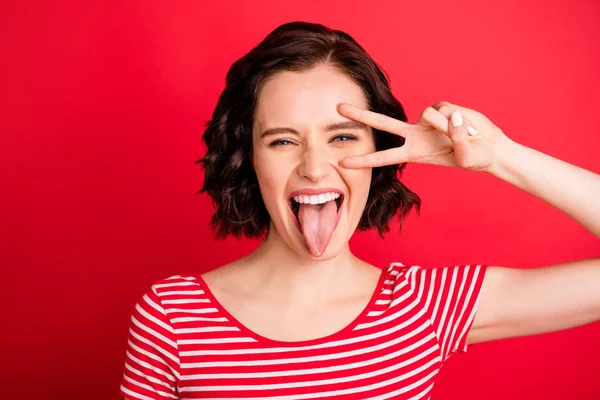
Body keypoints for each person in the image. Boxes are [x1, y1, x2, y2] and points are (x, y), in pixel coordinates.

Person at [120, 21, 600, 400]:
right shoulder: (173, 317)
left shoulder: (424, 309)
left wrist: (502, 157)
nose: (313, 167)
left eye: (342, 136)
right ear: (250, 160)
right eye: (283, 141)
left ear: (381, 153)